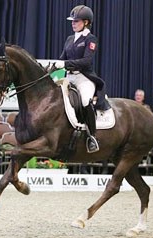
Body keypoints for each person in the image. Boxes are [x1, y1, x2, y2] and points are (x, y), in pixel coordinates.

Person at [52, 5, 110, 153]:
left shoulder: (91, 39)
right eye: (72, 21)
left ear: (86, 22)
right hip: (69, 77)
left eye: (76, 21)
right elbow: (62, 58)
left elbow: (86, 61)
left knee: (85, 100)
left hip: (84, 77)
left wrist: (64, 64)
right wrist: (52, 68)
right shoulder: (70, 39)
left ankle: (92, 136)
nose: (73, 23)